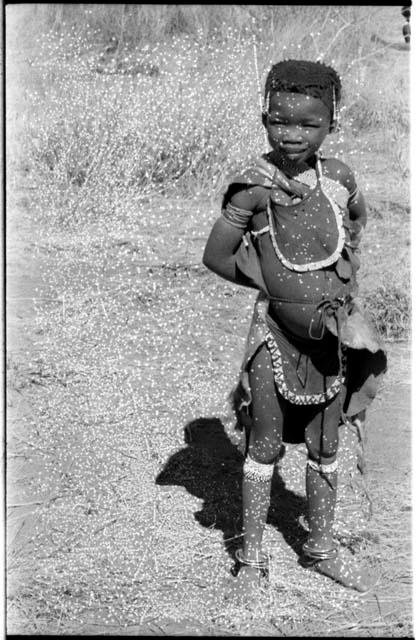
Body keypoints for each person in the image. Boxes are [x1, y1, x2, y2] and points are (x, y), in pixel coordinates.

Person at [202, 59, 387, 596]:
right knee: (263, 446)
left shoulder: (340, 180)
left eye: (308, 123)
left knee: (326, 445)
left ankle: (320, 548)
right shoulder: (253, 188)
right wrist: (276, 290)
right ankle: (251, 560)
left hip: (331, 341)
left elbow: (355, 223)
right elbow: (217, 256)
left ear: (332, 122)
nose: (292, 134)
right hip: (274, 340)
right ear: (264, 119)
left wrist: (340, 288)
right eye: (279, 122)